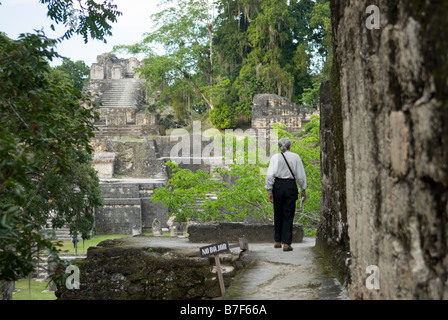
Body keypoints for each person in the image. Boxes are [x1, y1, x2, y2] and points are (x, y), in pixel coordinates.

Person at [265, 137, 307, 252]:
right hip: (290, 186)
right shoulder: (295, 157)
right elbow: (301, 176)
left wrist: (269, 190)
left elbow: (269, 175)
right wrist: (303, 190)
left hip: (277, 186)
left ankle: (277, 241)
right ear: (290, 146)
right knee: (288, 215)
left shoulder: (275, 157)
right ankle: (287, 243)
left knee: (277, 213)